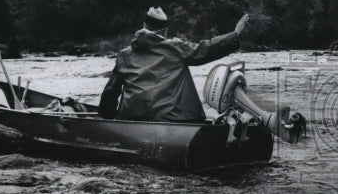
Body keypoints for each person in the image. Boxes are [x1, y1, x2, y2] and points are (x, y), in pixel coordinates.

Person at [99, 7, 249, 121]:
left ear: (144, 24)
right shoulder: (175, 47)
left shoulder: (124, 54)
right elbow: (206, 49)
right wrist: (235, 35)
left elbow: (111, 91)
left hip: (133, 119)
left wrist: (106, 117)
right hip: (173, 119)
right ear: (164, 30)